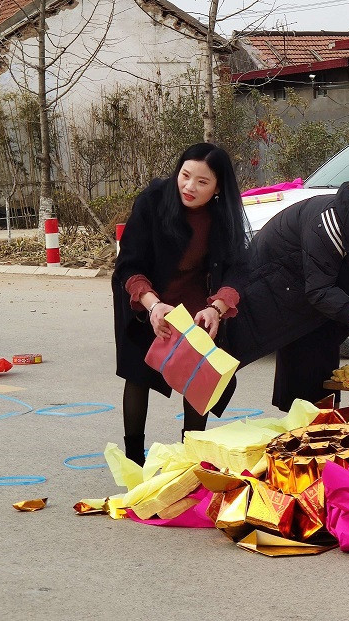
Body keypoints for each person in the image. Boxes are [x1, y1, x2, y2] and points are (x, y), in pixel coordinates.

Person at [233, 170, 349, 411]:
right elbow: (319, 290)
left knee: (324, 349)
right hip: (272, 282)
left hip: (313, 295)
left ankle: (321, 422)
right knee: (234, 357)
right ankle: (302, 427)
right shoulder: (330, 223)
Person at [112, 143, 249, 465]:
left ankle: (191, 458)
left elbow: (240, 268)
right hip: (142, 294)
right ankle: (134, 459)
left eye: (202, 182)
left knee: (198, 372)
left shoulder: (223, 214)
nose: (189, 187)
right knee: (138, 373)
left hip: (193, 299)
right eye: (185, 176)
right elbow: (129, 264)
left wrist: (217, 306)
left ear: (218, 188)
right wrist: (152, 304)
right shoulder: (154, 200)